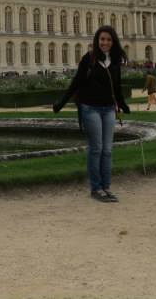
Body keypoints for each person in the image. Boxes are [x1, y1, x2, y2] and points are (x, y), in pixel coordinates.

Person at [53, 25, 130, 203]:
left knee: (108, 150)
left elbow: (116, 87)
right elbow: (76, 83)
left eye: (108, 39)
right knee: (96, 149)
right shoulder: (89, 59)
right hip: (90, 108)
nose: (105, 42)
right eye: (102, 39)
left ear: (113, 42)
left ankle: (106, 187)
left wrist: (123, 105)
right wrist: (61, 102)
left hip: (108, 108)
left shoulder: (116, 61)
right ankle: (96, 188)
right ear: (97, 40)